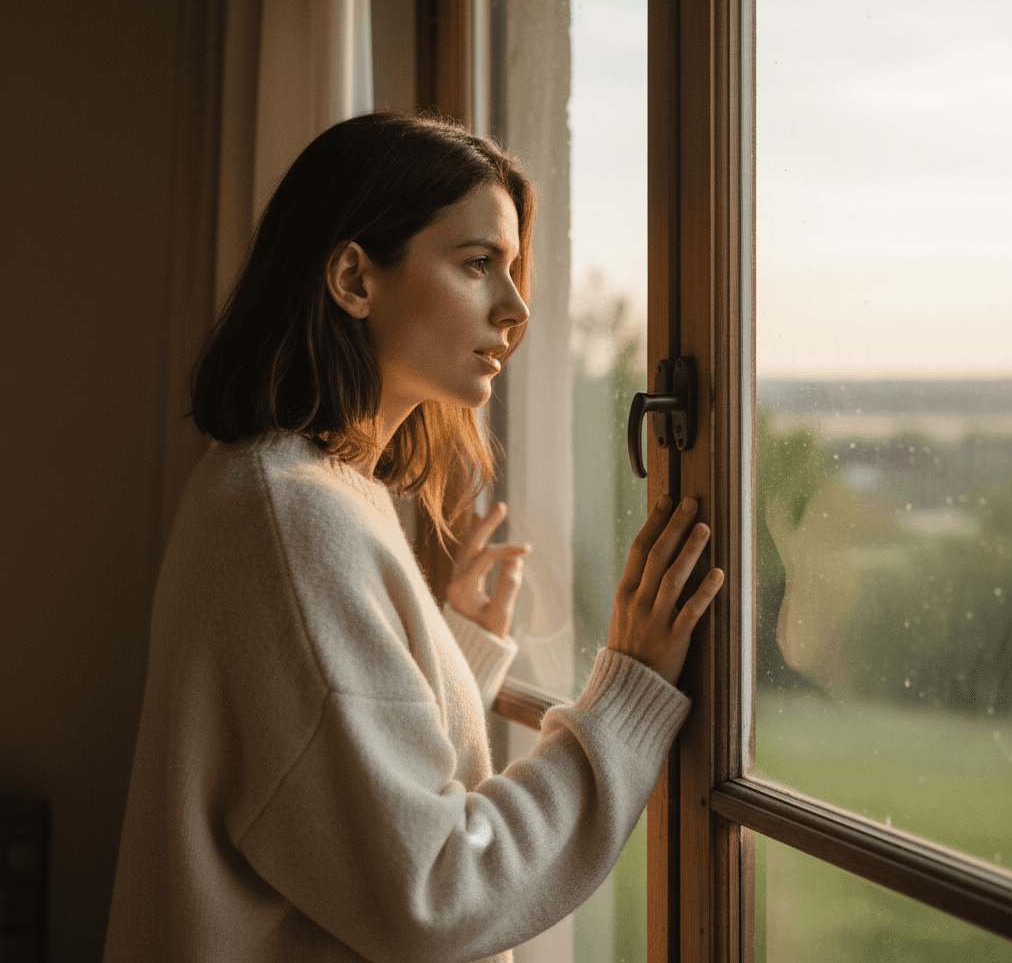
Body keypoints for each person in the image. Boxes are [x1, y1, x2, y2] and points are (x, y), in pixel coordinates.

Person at [103, 112, 724, 963]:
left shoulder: (287, 485)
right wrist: (628, 698)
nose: (517, 307)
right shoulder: (291, 515)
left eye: (512, 269)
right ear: (355, 278)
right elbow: (430, 890)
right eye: (477, 265)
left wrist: (447, 649)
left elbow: (314, 777)